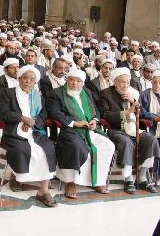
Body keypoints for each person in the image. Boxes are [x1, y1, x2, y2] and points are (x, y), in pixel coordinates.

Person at [47, 68, 115, 197]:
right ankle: (71, 182)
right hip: (70, 130)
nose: (74, 83)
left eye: (78, 81)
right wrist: (74, 123)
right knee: (75, 147)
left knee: (108, 146)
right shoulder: (56, 93)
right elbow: (54, 112)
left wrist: (95, 120)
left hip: (90, 130)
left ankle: (98, 181)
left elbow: (95, 109)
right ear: (67, 80)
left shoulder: (87, 92)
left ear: (82, 83)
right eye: (71, 80)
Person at [0, 66, 57, 207]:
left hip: (35, 131)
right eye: (25, 78)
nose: (27, 81)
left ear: (35, 82)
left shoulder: (38, 96)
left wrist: (33, 122)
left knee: (48, 149)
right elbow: (2, 113)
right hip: (14, 130)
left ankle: (44, 190)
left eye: (31, 79)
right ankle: (16, 175)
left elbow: (43, 115)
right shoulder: (8, 93)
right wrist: (22, 118)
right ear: (19, 79)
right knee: (20, 149)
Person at [98, 67, 160, 194]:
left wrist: (133, 101)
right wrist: (126, 112)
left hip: (134, 128)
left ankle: (142, 177)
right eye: (122, 82)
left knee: (151, 139)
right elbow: (105, 115)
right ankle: (128, 179)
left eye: (128, 82)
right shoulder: (105, 93)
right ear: (115, 82)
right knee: (126, 142)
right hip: (116, 129)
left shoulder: (134, 93)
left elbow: (142, 114)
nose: (126, 85)